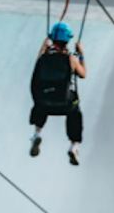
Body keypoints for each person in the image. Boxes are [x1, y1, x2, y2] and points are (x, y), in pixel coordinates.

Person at [29, 22, 87, 165]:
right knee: (75, 111)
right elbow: (83, 74)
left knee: (41, 100)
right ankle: (74, 146)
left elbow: (37, 62)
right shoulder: (71, 59)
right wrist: (81, 54)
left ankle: (37, 134)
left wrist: (44, 46)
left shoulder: (43, 58)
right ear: (67, 40)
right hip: (65, 105)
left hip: (44, 105)